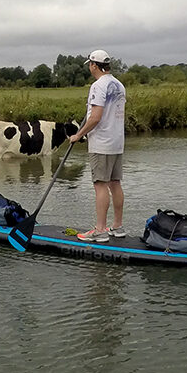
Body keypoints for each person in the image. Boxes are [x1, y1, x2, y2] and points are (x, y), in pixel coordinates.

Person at [68, 49, 126, 242]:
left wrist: (78, 135)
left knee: (100, 185)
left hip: (101, 143)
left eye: (90, 65)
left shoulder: (97, 86)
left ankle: (100, 230)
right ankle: (117, 227)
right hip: (117, 142)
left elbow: (95, 117)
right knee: (115, 183)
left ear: (94, 65)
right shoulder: (119, 85)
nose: (90, 68)